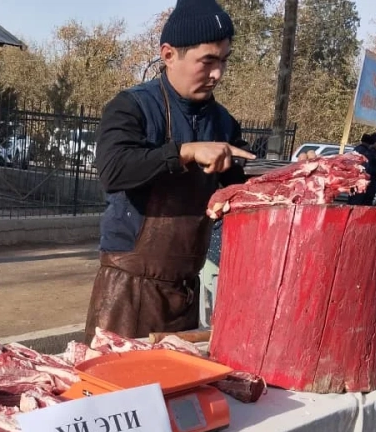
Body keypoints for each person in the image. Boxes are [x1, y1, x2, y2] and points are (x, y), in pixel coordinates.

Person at [84, 0, 257, 341]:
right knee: (121, 389)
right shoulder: (131, 107)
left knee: (179, 392)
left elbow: (243, 191)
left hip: (186, 290)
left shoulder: (223, 122)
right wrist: (186, 152)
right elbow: (113, 170)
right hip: (128, 290)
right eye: (207, 61)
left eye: (223, 61)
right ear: (168, 55)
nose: (217, 74)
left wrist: (290, 174)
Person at [348, 132, 376, 206]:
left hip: (372, 180)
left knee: (367, 200)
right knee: (357, 201)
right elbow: (365, 166)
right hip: (362, 180)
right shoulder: (364, 150)